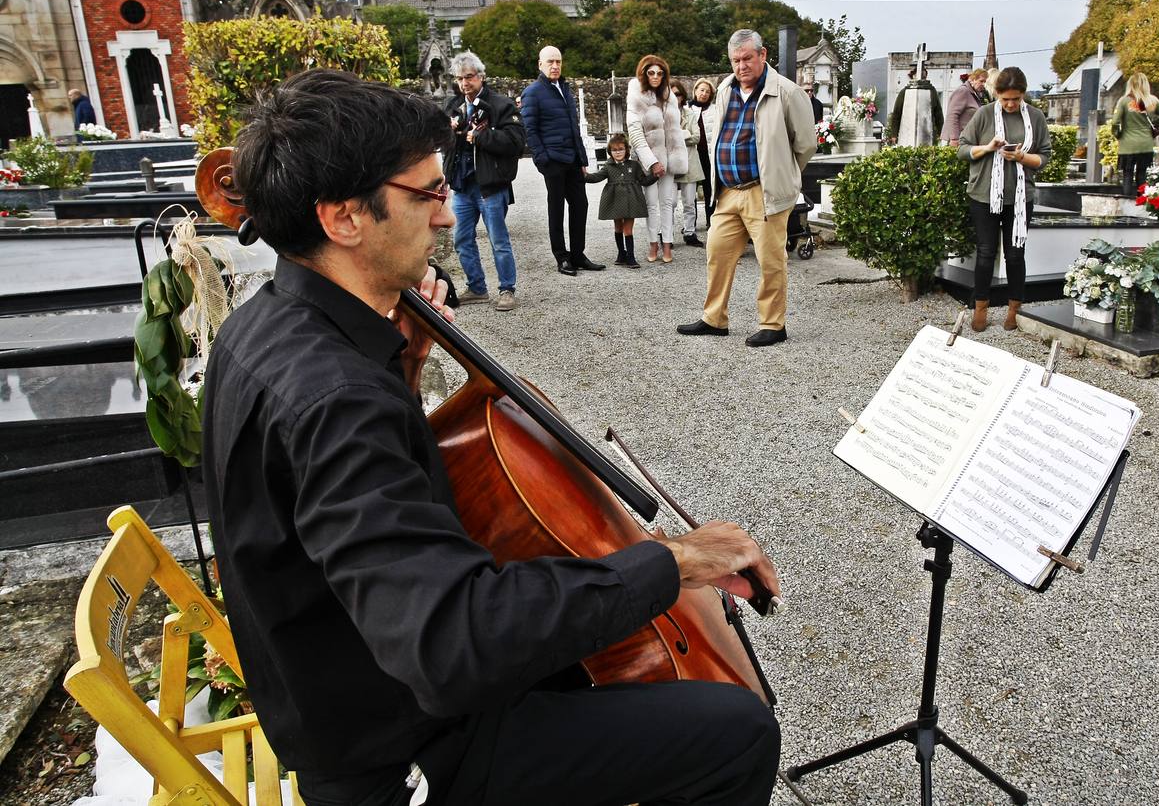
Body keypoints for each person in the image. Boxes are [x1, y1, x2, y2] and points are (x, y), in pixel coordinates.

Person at [203, 69, 782, 806]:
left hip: (347, 685)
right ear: (344, 217)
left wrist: (404, 370)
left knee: (604, 660)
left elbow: (341, 514)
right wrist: (671, 561)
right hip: (403, 757)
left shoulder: (268, 322)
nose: (447, 217)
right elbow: (452, 647)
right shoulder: (337, 397)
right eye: (428, 194)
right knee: (735, 731)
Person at [676, 29, 815, 348]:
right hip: (727, 191)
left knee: (770, 260)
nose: (741, 66)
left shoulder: (787, 92)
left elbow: (806, 144)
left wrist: (783, 174)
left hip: (763, 192)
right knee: (717, 252)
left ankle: (773, 323)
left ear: (763, 55)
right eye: (735, 60)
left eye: (747, 58)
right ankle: (715, 318)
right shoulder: (725, 88)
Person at [957, 66, 1052, 333]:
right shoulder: (984, 114)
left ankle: (1014, 309)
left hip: (1020, 197)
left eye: (1016, 99)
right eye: (1005, 99)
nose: (1010, 104)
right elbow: (962, 150)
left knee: (1015, 254)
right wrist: (988, 148)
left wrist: (1020, 157)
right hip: (984, 195)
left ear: (1023, 95)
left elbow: (1043, 157)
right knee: (985, 253)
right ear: (996, 94)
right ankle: (980, 308)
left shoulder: (1035, 117)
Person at [442, 51, 525, 311]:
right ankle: (477, 287)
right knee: (461, 239)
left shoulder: (502, 105)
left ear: (481, 76)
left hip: (490, 185)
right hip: (462, 185)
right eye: (459, 78)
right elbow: (439, 142)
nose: (465, 83)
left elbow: (515, 143)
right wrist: (449, 131)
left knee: (498, 240)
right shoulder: (453, 105)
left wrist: (480, 137)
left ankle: (507, 289)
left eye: (469, 77)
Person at [521, 45, 605, 275]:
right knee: (556, 209)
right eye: (550, 61)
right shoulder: (533, 92)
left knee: (581, 205)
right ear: (540, 64)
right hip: (553, 160)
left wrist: (582, 157)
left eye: (558, 61)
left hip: (573, 159)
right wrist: (543, 159)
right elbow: (530, 129)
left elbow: (574, 127)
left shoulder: (565, 89)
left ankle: (577, 255)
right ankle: (562, 257)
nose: (555, 66)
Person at [626, 55, 687, 264]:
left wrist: (673, 159)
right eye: (651, 72)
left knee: (668, 203)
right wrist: (652, 162)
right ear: (643, 73)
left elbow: (674, 131)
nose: (655, 76)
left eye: (660, 73)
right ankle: (653, 244)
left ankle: (668, 245)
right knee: (651, 205)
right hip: (649, 162)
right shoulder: (635, 93)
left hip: (669, 160)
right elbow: (635, 133)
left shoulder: (668, 95)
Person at [585, 133, 656, 268]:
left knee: (628, 230)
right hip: (615, 200)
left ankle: (631, 257)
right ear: (610, 152)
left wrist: (656, 175)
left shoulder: (634, 165)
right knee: (618, 227)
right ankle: (621, 254)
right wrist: (584, 175)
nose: (618, 152)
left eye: (621, 149)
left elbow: (643, 181)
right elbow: (596, 177)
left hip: (631, 201)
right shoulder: (608, 166)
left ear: (626, 150)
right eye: (614, 150)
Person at [1111, 72, 1159, 198]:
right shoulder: (1152, 100)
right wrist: (1154, 124)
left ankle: (1126, 202)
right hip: (1146, 143)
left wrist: (1118, 135)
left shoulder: (1124, 101)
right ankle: (1142, 201)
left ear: (1130, 84)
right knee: (1141, 174)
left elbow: (1115, 122)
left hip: (1127, 144)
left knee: (1127, 174)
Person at [671, 79, 705, 248]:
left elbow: (696, 137)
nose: (674, 97)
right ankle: (666, 234)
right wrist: (684, 135)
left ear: (683, 96)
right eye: (671, 93)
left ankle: (690, 233)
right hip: (670, 164)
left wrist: (678, 136)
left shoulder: (689, 113)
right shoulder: (662, 114)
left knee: (689, 201)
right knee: (669, 202)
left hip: (689, 162)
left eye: (677, 93)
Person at [691, 78, 717, 225]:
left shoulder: (715, 109)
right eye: (701, 90)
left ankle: (710, 221)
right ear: (695, 91)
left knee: (709, 188)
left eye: (707, 91)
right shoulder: (687, 109)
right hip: (693, 154)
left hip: (708, 154)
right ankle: (691, 224)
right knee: (691, 191)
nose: (704, 94)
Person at [940, 69, 989, 145]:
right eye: (981, 81)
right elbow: (952, 115)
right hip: (959, 138)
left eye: (985, 82)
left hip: (967, 138)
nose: (983, 84)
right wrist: (954, 138)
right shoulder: (963, 91)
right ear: (973, 79)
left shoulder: (975, 93)